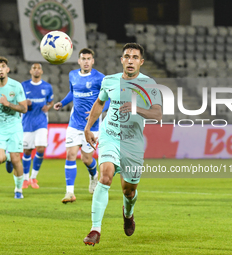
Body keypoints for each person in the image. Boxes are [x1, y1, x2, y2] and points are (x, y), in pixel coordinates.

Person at [83, 43, 162, 246]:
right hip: (110, 136)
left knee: (129, 190)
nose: (130, 60)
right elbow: (100, 103)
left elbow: (157, 113)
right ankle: (95, 229)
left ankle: (128, 213)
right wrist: (88, 127)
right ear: (121, 60)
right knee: (106, 177)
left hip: (133, 143)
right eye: (127, 56)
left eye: (135, 57)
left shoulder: (149, 84)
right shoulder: (109, 81)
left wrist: (136, 109)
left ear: (141, 62)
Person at [53, 48, 108, 203]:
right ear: (79, 61)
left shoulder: (100, 78)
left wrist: (96, 112)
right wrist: (62, 103)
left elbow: (107, 99)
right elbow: (72, 92)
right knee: (70, 155)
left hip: (93, 125)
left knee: (86, 158)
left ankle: (93, 175)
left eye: (88, 58)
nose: (86, 61)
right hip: (74, 123)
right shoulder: (73, 75)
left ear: (93, 61)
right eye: (83, 58)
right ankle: (69, 193)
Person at [0, 56, 27, 199]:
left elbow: (24, 108)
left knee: (16, 159)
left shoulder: (16, 86)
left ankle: (18, 190)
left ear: (7, 70)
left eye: (3, 67)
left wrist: (8, 104)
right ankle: (6, 157)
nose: (0, 69)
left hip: (14, 126)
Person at [21, 63, 54, 189]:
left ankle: (33, 177)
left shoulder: (47, 86)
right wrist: (24, 103)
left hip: (41, 121)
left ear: (42, 71)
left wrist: (48, 106)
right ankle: (25, 178)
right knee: (27, 151)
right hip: (27, 122)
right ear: (30, 71)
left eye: (38, 68)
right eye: (34, 68)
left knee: (40, 148)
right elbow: (17, 101)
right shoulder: (24, 86)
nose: (36, 70)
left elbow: (50, 101)